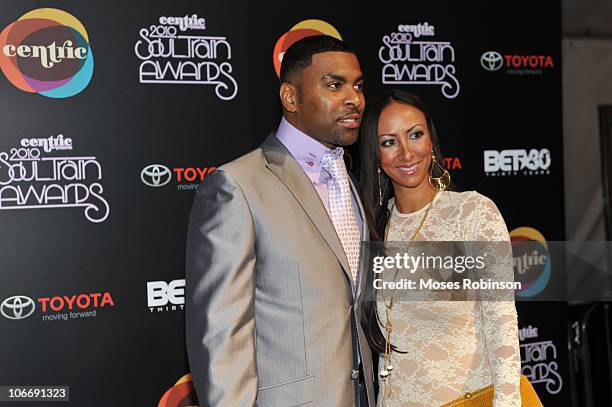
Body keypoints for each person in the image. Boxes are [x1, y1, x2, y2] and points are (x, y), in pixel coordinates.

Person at [186, 35, 375, 406]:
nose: (354, 98)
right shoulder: (238, 186)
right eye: (334, 85)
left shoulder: (351, 182)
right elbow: (221, 335)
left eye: (358, 86)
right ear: (291, 97)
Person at [359, 89, 521, 406]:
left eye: (415, 135)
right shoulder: (374, 228)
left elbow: (502, 328)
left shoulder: (473, 213)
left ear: (431, 141)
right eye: (389, 142)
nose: (406, 153)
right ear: (376, 156)